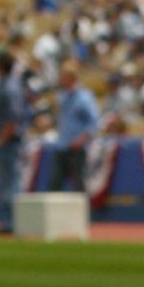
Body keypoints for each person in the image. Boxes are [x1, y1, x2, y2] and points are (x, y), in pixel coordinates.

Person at [0, 48, 30, 234]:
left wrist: (2, 138)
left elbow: (13, 118)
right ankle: (9, 221)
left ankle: (12, 223)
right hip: (8, 140)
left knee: (10, 183)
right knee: (7, 183)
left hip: (10, 142)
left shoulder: (9, 87)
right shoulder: (5, 84)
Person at [52, 60, 100, 191]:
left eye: (64, 77)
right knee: (55, 182)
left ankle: (83, 211)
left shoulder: (84, 98)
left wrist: (81, 140)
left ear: (71, 78)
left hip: (77, 148)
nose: (61, 80)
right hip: (62, 145)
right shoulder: (62, 96)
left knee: (78, 183)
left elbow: (94, 123)